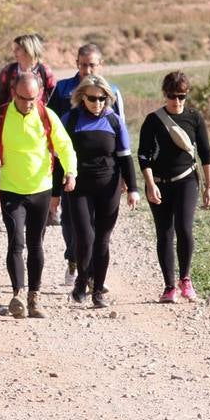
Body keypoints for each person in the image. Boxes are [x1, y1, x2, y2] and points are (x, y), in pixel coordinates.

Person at [0, 72, 76, 318]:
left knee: (35, 243)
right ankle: (18, 295)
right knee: (16, 242)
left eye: (34, 97)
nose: (29, 103)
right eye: (24, 98)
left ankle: (34, 297)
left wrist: (71, 172)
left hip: (41, 189)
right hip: (11, 189)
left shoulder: (46, 116)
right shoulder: (0, 116)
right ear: (13, 93)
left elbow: (65, 146)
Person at [47, 43, 126, 286]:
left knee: (96, 227)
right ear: (77, 64)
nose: (87, 69)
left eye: (92, 64)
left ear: (100, 65)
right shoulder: (62, 89)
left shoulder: (110, 90)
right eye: (83, 64)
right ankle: (73, 259)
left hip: (103, 172)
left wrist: (124, 177)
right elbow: (50, 122)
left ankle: (91, 274)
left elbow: (120, 131)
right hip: (72, 169)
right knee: (72, 223)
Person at [138, 71, 210, 304]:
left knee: (184, 229)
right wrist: (150, 185)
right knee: (164, 233)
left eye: (181, 96)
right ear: (165, 94)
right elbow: (143, 156)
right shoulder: (153, 120)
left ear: (187, 94)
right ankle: (169, 286)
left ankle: (185, 279)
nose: (177, 101)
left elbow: (205, 152)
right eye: (172, 96)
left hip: (186, 181)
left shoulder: (194, 118)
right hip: (159, 184)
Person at [62, 75, 139, 308]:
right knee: (85, 238)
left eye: (103, 99)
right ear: (82, 97)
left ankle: (97, 292)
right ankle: (82, 281)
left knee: (102, 240)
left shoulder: (114, 121)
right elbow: (60, 157)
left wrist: (133, 189)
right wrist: (56, 191)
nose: (98, 104)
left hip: (109, 187)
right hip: (79, 187)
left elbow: (125, 158)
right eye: (93, 99)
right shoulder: (71, 119)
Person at [0, 33, 56, 113]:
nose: (14, 52)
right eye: (14, 49)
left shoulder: (45, 71)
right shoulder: (9, 71)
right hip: (10, 120)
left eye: (18, 49)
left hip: (37, 122)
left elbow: (55, 98)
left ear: (29, 50)